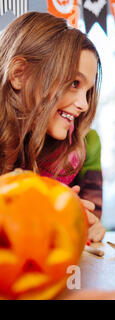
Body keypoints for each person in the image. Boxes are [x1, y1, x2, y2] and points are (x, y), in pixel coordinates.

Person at [0, 12, 105, 242]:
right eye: (74, 83)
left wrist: (77, 224)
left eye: (87, 92)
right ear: (19, 74)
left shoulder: (59, 150)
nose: (84, 105)